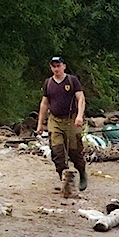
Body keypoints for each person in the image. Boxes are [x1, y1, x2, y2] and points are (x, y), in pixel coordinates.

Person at [36, 55, 88, 193]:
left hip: (71, 120)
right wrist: (40, 124)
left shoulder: (72, 81)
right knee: (57, 152)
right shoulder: (48, 83)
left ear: (64, 66)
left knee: (75, 151)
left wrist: (79, 116)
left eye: (58, 66)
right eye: (53, 66)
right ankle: (64, 179)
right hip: (55, 120)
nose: (56, 69)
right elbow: (44, 103)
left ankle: (82, 173)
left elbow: (81, 98)